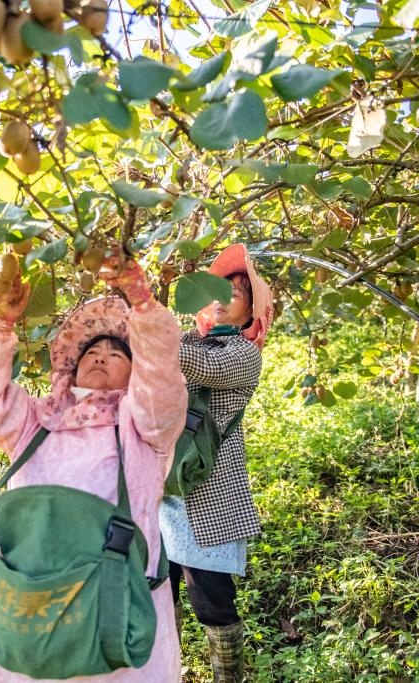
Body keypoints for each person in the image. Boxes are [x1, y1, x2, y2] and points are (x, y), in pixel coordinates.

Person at [0, 257, 188, 681]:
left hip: (111, 609)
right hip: (29, 602)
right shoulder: (35, 420)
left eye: (116, 353)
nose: (101, 356)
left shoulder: (145, 423)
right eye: (93, 351)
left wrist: (141, 303)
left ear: (134, 370)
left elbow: (161, 376)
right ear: (72, 365)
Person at [159, 243, 274, 683]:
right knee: (159, 588)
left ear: (250, 310)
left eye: (235, 293)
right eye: (215, 290)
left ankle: (228, 677)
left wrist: (151, 329)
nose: (221, 298)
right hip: (167, 485)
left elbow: (197, 366)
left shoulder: (243, 354)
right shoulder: (193, 338)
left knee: (211, 600)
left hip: (207, 494)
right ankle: (164, 670)